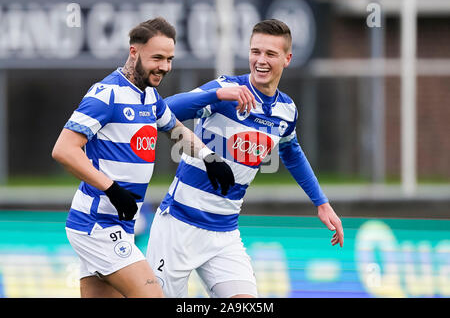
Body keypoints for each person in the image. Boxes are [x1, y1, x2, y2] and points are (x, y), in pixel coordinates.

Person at [146, 19, 344, 298]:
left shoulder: (286, 110)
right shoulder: (226, 90)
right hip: (178, 226)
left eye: (270, 54)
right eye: (255, 52)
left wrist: (322, 204)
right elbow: (162, 110)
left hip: (224, 233)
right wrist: (214, 94)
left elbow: (291, 151)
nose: (261, 61)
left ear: (287, 59)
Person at [51, 17, 234, 298]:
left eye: (170, 59)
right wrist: (110, 188)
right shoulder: (107, 94)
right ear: (134, 52)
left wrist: (210, 158)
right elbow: (64, 150)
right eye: (157, 57)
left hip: (120, 224)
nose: (165, 66)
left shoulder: (150, 97)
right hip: (96, 223)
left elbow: (175, 130)